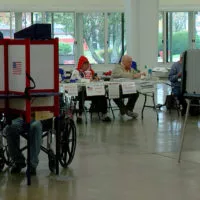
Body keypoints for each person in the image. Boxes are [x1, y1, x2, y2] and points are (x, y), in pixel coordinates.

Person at [71, 55, 111, 123]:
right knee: (81, 95)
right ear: (81, 64)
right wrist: (89, 80)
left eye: (87, 64)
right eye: (85, 64)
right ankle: (79, 116)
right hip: (81, 91)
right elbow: (78, 81)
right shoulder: (76, 72)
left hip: (91, 91)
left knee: (102, 94)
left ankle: (104, 114)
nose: (87, 66)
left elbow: (95, 79)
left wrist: (96, 79)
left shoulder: (90, 71)